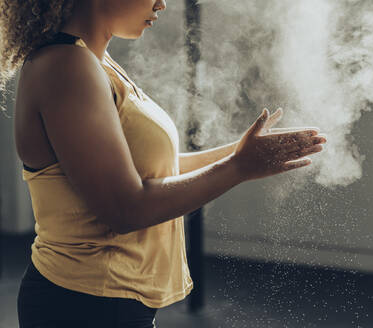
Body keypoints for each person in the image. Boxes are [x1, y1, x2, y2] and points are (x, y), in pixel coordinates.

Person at [0, 0, 327, 327]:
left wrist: (244, 154)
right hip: (83, 304)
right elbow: (124, 208)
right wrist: (239, 167)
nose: (162, 3)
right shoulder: (65, 66)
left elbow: (149, 170)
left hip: (110, 300)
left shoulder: (95, 61)